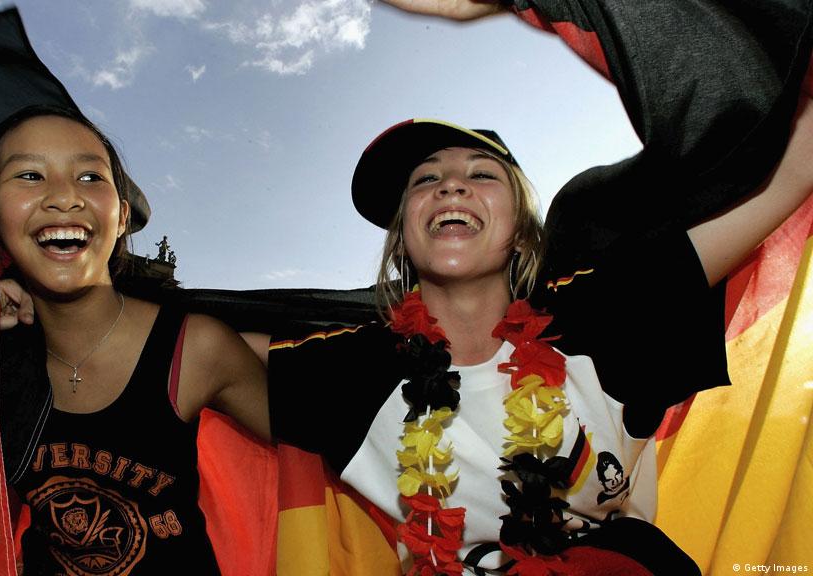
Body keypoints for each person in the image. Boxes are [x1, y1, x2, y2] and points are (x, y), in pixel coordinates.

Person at [244, 2, 813, 574]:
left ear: (521, 233)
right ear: (402, 242)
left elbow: (790, 172)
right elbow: (204, 352)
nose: (451, 187)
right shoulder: (351, 368)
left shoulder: (601, 313)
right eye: (426, 179)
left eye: (481, 173)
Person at [0, 104, 269, 575]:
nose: (64, 197)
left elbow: (335, 441)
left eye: (89, 177)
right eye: (29, 175)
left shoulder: (196, 350)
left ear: (122, 216)